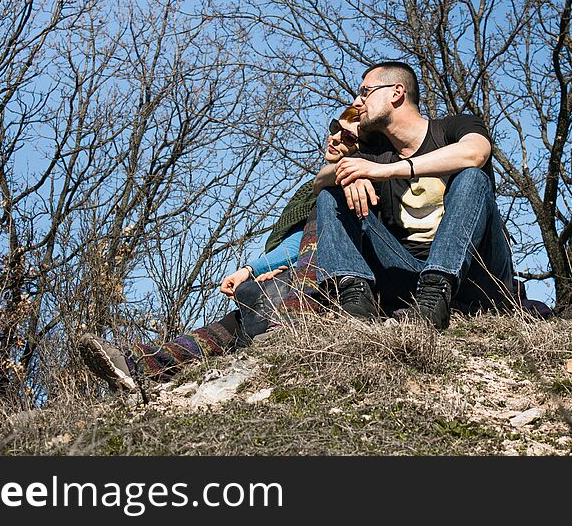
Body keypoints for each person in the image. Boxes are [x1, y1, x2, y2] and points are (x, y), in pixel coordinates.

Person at [78, 107, 362, 392]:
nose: (335, 137)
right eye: (334, 127)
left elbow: (327, 238)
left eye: (347, 136)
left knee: (260, 310)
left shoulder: (358, 187)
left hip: (338, 286)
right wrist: (252, 270)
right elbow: (298, 241)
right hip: (302, 278)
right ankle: (139, 365)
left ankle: (290, 326)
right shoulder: (313, 190)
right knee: (234, 322)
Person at [313, 60, 514, 330]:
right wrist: (347, 172)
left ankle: (435, 295)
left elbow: (475, 153)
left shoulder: (454, 128)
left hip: (475, 277)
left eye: (364, 91)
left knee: (471, 177)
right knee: (331, 196)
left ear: (396, 92)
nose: (357, 101)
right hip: (406, 277)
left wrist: (387, 171)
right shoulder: (375, 154)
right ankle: (355, 299)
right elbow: (317, 183)